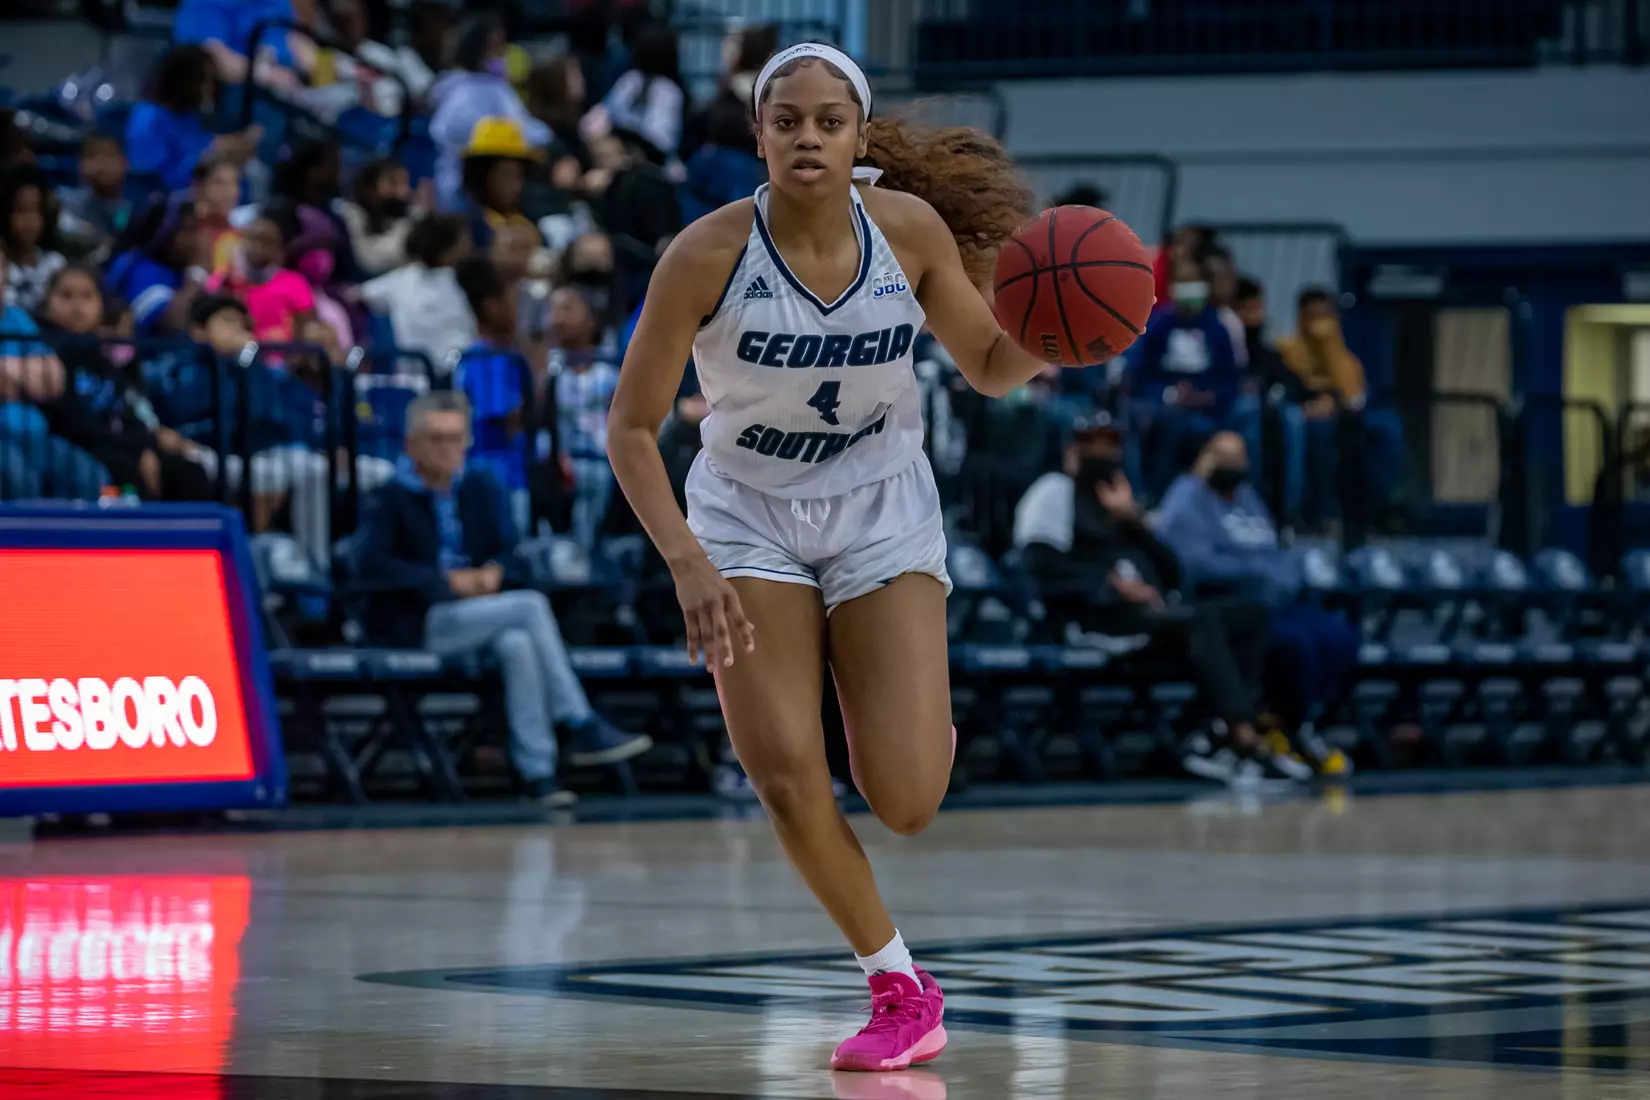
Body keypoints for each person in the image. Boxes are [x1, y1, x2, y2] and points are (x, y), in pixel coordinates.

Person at [607, 42, 1048, 1072]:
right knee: (786, 770)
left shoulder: (906, 229)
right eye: (788, 120)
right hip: (747, 517)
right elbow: (632, 429)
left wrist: (1059, 336)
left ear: (858, 141)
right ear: (759, 136)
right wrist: (686, 560)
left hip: (881, 507)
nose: (808, 136)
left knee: (903, 798)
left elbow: (987, 364)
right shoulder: (704, 252)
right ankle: (898, 980)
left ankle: (903, 702)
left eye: (828, 121)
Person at [356, 389, 653, 806]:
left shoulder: (478, 487)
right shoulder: (389, 496)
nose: (448, 449)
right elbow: (369, 566)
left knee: (517, 645)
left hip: (484, 614)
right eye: (436, 439)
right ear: (411, 445)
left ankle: (539, 775)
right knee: (529, 607)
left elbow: (512, 552)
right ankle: (578, 720)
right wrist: (444, 582)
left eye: (456, 438)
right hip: (417, 621)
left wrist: (493, 573)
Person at [1012, 424, 1286, 783]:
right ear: (1072, 451)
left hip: (1148, 619)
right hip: (1092, 621)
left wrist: (1133, 521)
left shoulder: (1118, 497)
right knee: (1198, 622)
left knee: (1251, 615)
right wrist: (1111, 585)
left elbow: (1174, 574)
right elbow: (1037, 565)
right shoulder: (1053, 491)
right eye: (1093, 445)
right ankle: (1240, 735)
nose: (1105, 454)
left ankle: (1212, 732)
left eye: (1111, 445)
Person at [1155, 432, 1356, 777]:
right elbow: (1192, 563)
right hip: (1225, 604)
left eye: (1239, 457)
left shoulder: (1248, 497)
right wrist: (1256, 573)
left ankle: (1303, 723)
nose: (1232, 465)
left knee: (1340, 636)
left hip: (1273, 600)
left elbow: (1273, 550)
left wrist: (1280, 574)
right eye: (1223, 456)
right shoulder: (1187, 497)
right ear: (1205, 457)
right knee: (1297, 646)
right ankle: (1279, 726)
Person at [32, 265, 216, 502]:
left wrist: (145, 444)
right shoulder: (42, 348)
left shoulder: (101, 353)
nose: (77, 306)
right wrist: (134, 447)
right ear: (47, 302)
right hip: (81, 445)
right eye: (66, 295)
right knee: (125, 470)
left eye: (87, 296)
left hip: (120, 443)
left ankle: (194, 539)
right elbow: (65, 418)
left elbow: (123, 407)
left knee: (188, 471)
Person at [1276, 287, 1406, 525]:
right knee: (1320, 432)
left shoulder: (1344, 356)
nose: (1320, 323)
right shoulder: (1286, 349)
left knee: (1388, 427)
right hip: (1307, 416)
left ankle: (1380, 504)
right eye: (1313, 316)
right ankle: (1323, 512)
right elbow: (1287, 388)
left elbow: (1354, 398)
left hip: (1344, 414)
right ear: (1301, 317)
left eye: (1326, 316)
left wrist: (1330, 346)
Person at [1128, 252, 1242, 499]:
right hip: (1163, 405)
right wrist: (1167, 395)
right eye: (1183, 281)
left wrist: (1208, 397)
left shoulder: (1217, 328)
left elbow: (1230, 380)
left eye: (1194, 281)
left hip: (1206, 408)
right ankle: (1154, 496)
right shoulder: (1159, 324)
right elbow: (1138, 375)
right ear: (1173, 287)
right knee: (1166, 422)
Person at [0, 248, 107, 501]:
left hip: (37, 437)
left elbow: (53, 381)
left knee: (91, 475)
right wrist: (26, 372)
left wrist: (9, 374)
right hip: (4, 442)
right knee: (16, 476)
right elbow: (36, 376)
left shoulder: (17, 318)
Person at [428, 13, 550, 210]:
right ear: (477, 47)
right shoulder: (459, 87)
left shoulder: (495, 86)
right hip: (462, 184)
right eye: (496, 45)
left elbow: (528, 127)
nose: (501, 53)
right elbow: (447, 130)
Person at [126, 45, 263, 193]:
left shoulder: (190, 118)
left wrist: (232, 151)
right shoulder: (147, 118)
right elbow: (149, 180)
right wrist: (211, 154)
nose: (209, 89)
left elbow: (203, 149)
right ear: (184, 80)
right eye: (204, 80)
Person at [551, 285, 620, 553]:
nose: (557, 318)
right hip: (560, 461)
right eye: (552, 310)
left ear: (592, 319)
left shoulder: (610, 370)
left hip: (603, 460)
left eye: (567, 309)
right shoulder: (550, 367)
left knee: (596, 478)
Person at [358, 213, 476, 371]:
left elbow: (356, 294)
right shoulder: (401, 280)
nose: (470, 248)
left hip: (459, 370)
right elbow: (358, 295)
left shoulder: (467, 280)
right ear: (447, 248)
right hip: (422, 377)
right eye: (464, 243)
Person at [207, 203, 316, 344]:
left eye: (266, 242)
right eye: (252, 239)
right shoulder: (223, 282)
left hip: (281, 358)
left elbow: (306, 331)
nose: (257, 248)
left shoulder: (295, 284)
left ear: (280, 251)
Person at [105, 196, 210, 338]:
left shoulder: (179, 271)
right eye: (188, 231)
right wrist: (198, 273)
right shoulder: (140, 270)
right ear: (165, 233)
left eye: (197, 232)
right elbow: (174, 321)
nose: (196, 241)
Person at [590, 21, 687, 163]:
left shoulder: (669, 91)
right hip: (619, 154)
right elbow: (597, 120)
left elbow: (662, 142)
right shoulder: (630, 81)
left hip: (654, 164)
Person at [459, 117, 544, 251]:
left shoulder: (528, 219)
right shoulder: (465, 225)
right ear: (482, 177)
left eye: (518, 177)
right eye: (505, 176)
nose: (515, 186)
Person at [338, 157, 422, 276]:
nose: (402, 192)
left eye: (405, 183)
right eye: (393, 183)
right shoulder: (348, 215)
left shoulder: (412, 217)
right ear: (367, 188)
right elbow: (369, 263)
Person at [56, 134, 134, 261]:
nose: (102, 164)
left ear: (124, 162)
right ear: (81, 165)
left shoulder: (134, 209)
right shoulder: (66, 204)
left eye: (109, 156)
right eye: (93, 156)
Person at [0, 166, 68, 313]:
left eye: (36, 211)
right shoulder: (1, 265)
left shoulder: (55, 264)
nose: (29, 221)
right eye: (21, 210)